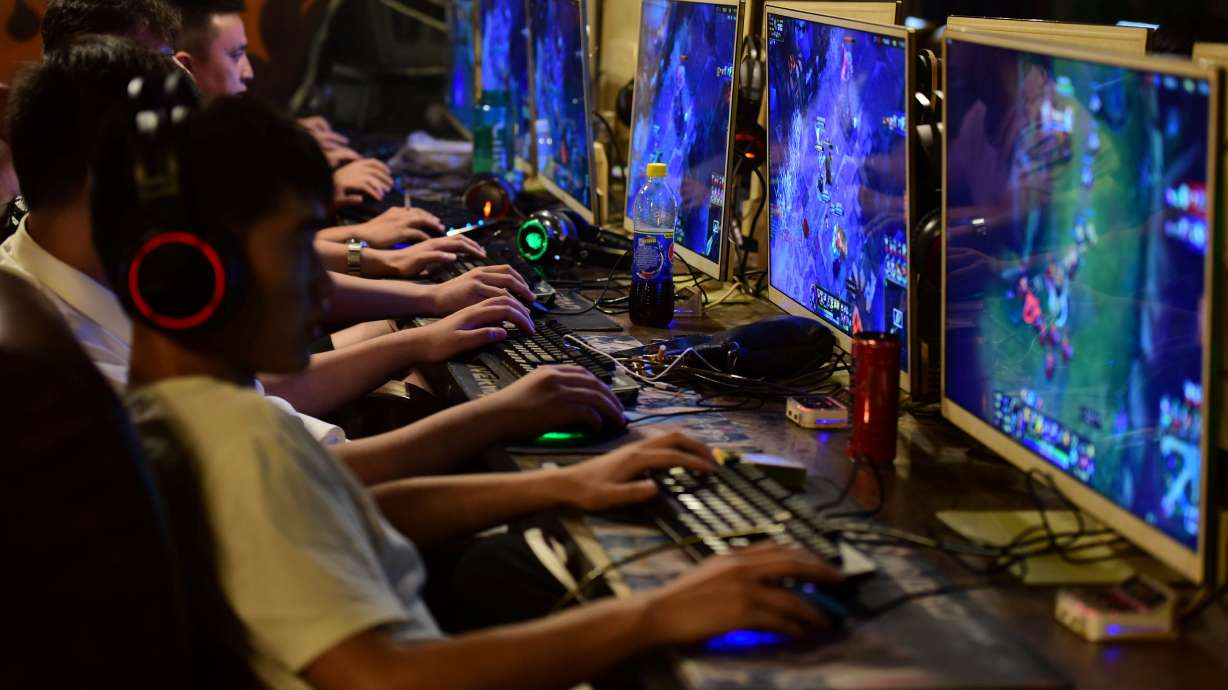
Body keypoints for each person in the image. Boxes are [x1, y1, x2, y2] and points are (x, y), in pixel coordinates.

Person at [98, 89, 840, 690]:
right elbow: (390, 675)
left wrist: (566, 486)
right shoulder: (241, 442)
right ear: (192, 278)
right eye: (298, 249)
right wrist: (656, 614)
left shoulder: (183, 412)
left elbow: (342, 508)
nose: (322, 286)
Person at [2, 36, 622, 484]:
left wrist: (417, 333)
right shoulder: (49, 356)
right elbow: (307, 469)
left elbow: (264, 404)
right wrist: (499, 415)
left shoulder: (93, 278)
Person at [169, 0, 467, 279]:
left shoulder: (203, 148)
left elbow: (282, 246)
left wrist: (364, 241)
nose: (248, 72)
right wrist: (371, 250)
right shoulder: (187, 172)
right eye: (235, 55)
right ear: (186, 69)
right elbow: (291, 260)